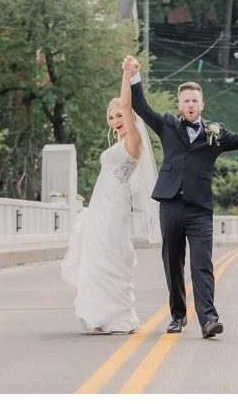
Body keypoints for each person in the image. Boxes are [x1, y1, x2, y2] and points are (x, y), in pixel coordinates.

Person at [124, 54, 238, 338]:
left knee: (201, 262)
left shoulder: (215, 132)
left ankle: (208, 319)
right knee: (172, 260)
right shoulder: (167, 124)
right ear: (179, 105)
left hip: (200, 207)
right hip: (170, 203)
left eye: (195, 101)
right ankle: (178, 316)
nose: (190, 105)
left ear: (202, 105)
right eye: (186, 101)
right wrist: (133, 75)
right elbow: (141, 107)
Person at [59, 65, 156, 334]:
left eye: (120, 115)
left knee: (110, 256)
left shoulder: (134, 140)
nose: (116, 120)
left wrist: (127, 75)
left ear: (129, 115)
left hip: (115, 206)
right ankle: (100, 316)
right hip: (100, 205)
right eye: (111, 117)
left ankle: (119, 316)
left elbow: (127, 103)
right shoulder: (117, 143)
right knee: (96, 258)